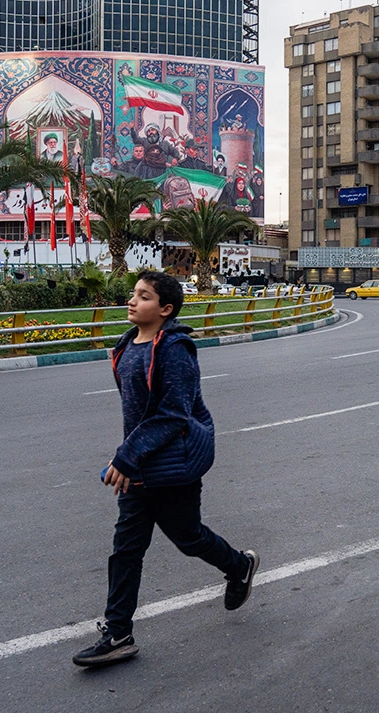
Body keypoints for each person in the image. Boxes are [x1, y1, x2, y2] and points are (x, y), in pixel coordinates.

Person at [73, 270, 258, 667]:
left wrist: (126, 455)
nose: (132, 300)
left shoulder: (174, 349)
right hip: (140, 467)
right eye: (133, 294)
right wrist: (129, 456)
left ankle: (240, 565)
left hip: (173, 465)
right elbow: (138, 413)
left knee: (189, 538)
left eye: (143, 296)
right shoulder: (128, 345)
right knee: (126, 549)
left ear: (165, 309)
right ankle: (119, 633)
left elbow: (173, 414)